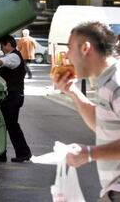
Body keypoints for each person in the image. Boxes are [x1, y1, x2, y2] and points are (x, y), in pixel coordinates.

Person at [52, 21, 120, 201]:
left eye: (69, 48)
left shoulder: (116, 83)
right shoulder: (107, 81)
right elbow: (101, 124)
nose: (66, 55)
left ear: (85, 48)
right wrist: (72, 91)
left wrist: (89, 153)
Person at [0, 34, 32, 162]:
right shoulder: (11, 55)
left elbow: (0, 62)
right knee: (6, 125)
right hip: (12, 96)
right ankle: (3, 154)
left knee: (11, 125)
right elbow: (1, 59)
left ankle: (23, 153)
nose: (1, 48)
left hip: (14, 96)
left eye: (2, 46)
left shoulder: (13, 57)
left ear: (8, 44)